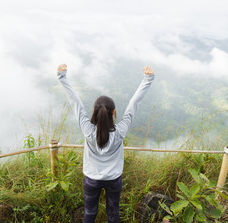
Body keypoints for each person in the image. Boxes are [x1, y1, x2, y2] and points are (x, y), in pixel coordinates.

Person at [57, 64, 155, 223]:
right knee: (113, 213)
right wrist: (148, 79)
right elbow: (133, 104)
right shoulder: (120, 132)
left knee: (89, 213)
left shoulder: (88, 130)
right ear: (114, 112)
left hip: (91, 179)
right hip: (113, 179)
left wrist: (62, 76)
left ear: (94, 112)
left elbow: (76, 103)